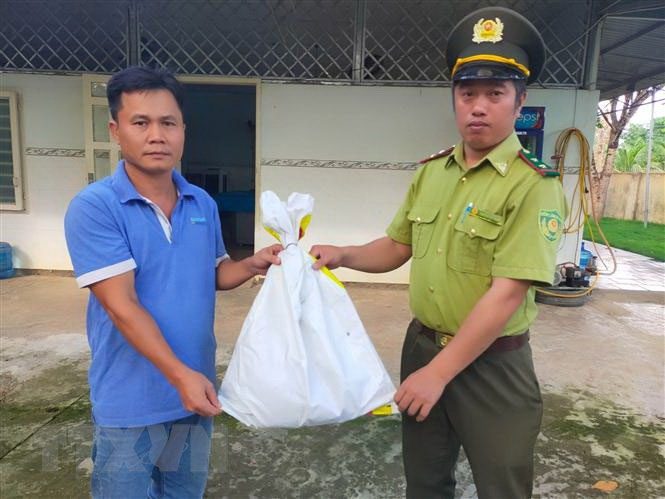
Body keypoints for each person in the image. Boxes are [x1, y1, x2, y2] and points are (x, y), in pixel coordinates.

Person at [310, 7, 566, 499]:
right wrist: (341, 253)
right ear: (454, 98)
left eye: (495, 93)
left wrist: (438, 375)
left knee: (502, 485)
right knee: (424, 482)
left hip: (493, 367)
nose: (478, 106)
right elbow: (397, 246)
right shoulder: (432, 172)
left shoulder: (533, 186)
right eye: (467, 93)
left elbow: (507, 294)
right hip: (422, 347)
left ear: (520, 102)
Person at [64, 66, 281, 498]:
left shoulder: (200, 201)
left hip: (194, 393)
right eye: (140, 122)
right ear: (116, 130)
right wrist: (181, 376)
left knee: (184, 492)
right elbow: (121, 306)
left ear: (183, 129)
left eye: (168, 122)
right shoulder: (96, 207)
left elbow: (215, 272)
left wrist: (255, 263)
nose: (156, 135)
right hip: (132, 399)